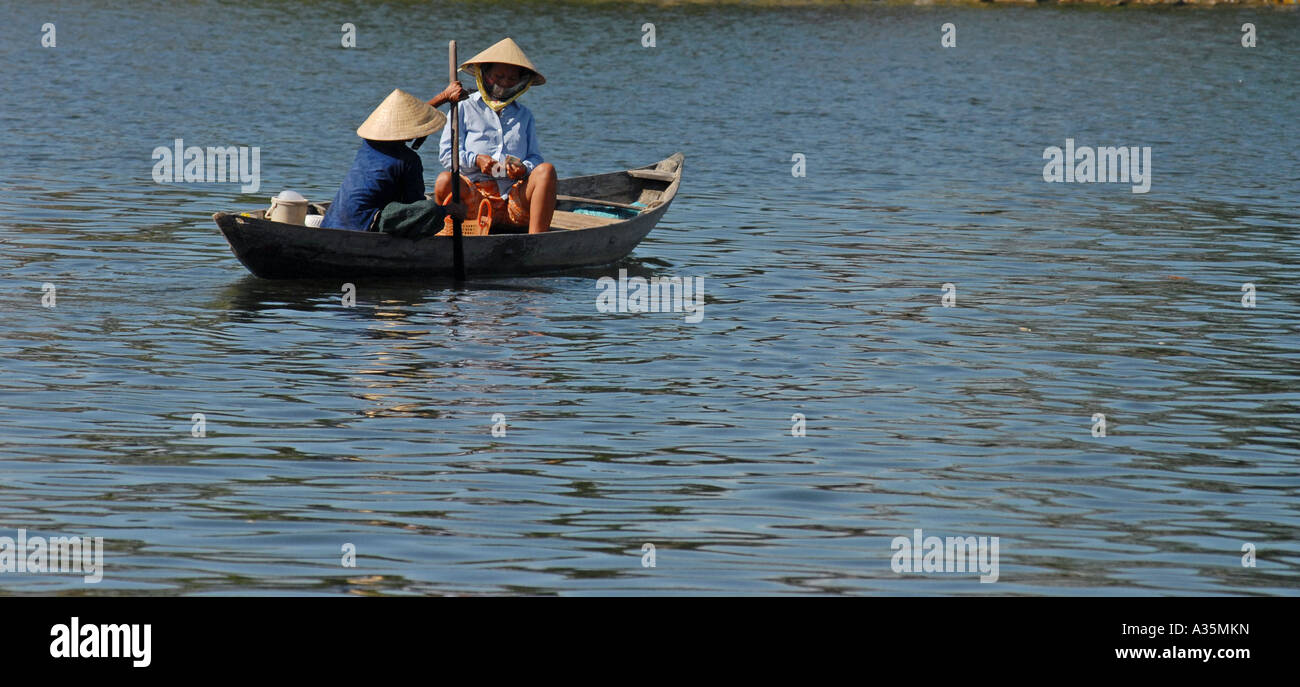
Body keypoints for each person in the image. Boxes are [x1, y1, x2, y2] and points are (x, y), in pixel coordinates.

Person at [435, 37, 557, 235]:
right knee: (443, 181)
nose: (504, 83)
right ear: (485, 75)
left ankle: (536, 241)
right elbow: (447, 156)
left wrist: (522, 168)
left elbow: (535, 158)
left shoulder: (524, 115)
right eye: (498, 76)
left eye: (511, 79)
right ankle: (452, 235)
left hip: (513, 198)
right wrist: (476, 160)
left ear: (520, 83)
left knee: (546, 171)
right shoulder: (464, 108)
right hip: (474, 198)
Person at [321, 87, 467, 233]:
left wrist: (443, 97)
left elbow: (413, 120)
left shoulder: (369, 143)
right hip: (365, 223)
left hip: (331, 221)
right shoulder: (408, 160)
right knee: (431, 209)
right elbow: (416, 206)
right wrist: (447, 210)